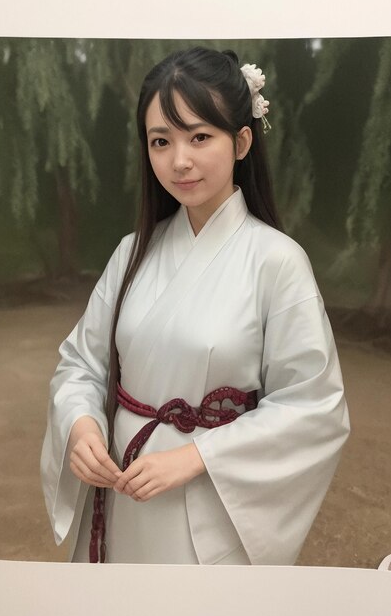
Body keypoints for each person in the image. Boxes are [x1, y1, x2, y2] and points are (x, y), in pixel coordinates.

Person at [40, 46, 350, 565]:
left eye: (200, 137)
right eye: (161, 141)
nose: (179, 160)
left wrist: (197, 455)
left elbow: (312, 406)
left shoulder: (277, 261)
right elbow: (81, 363)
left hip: (212, 503)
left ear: (242, 141)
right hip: (122, 485)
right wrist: (82, 424)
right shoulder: (133, 251)